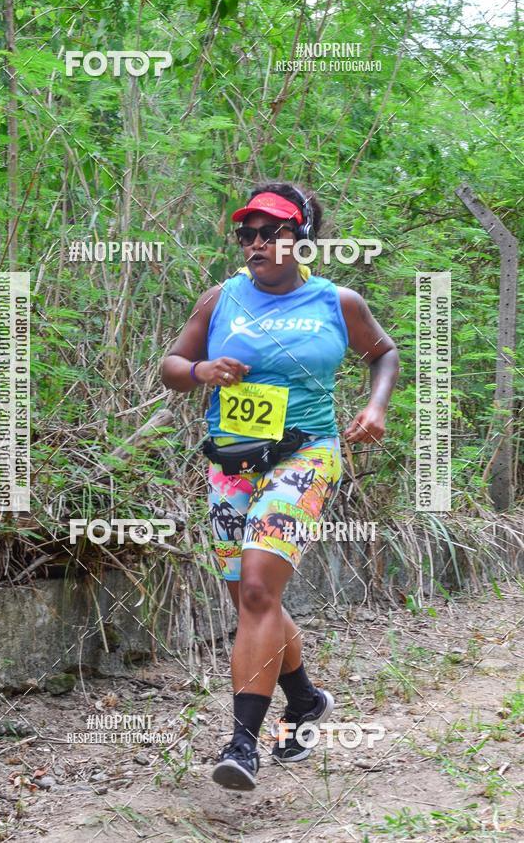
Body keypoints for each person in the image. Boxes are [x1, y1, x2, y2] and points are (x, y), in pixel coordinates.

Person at [160, 181, 399, 790]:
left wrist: (376, 407)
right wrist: (202, 370)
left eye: (273, 232)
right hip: (231, 461)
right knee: (250, 599)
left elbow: (384, 353)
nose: (257, 243)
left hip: (306, 455)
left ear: (301, 239)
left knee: (258, 587)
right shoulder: (220, 298)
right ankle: (306, 700)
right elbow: (171, 367)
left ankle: (242, 744)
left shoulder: (337, 302)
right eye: (248, 234)